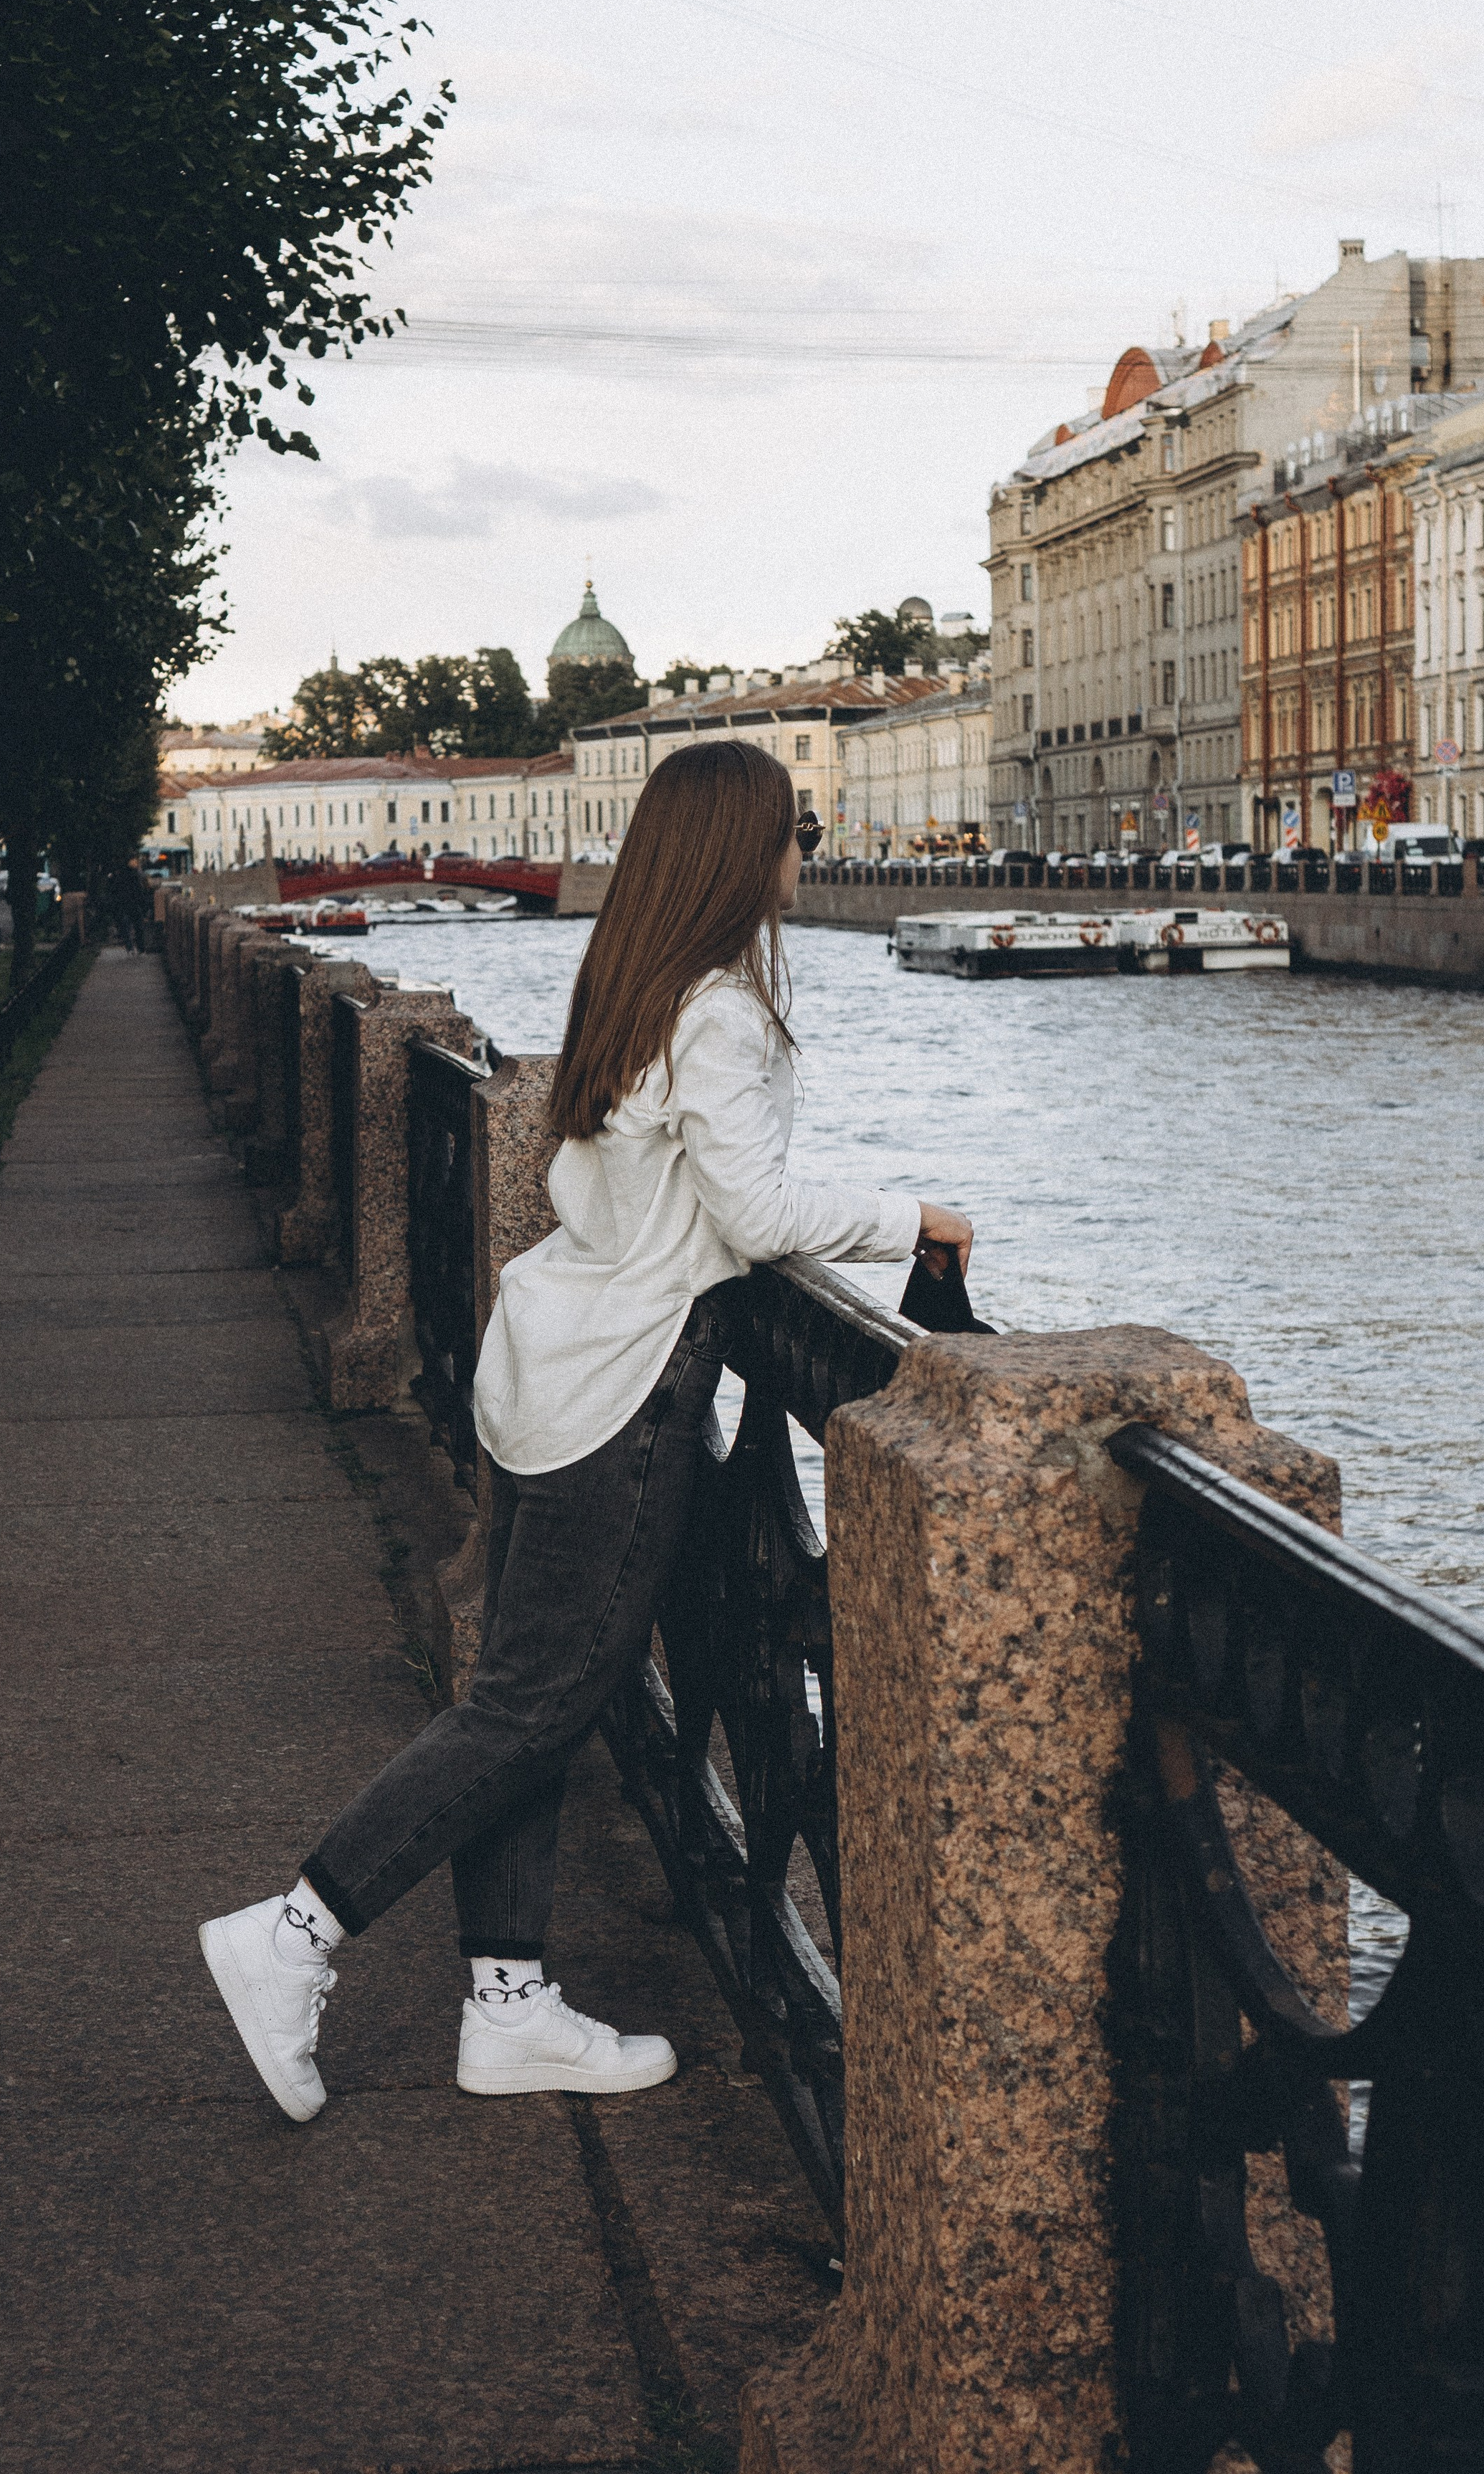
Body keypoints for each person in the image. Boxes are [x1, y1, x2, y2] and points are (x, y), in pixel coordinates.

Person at [197, 741, 972, 2122]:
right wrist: (918, 1218)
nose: (807, 849)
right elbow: (758, 1218)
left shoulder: (633, 986)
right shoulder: (723, 1010)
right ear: (741, 855)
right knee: (537, 1703)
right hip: (622, 1389)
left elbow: (580, 1175)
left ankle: (507, 2006)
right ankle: (296, 1931)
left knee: (526, 1696)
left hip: (542, 1360)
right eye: (793, 830)